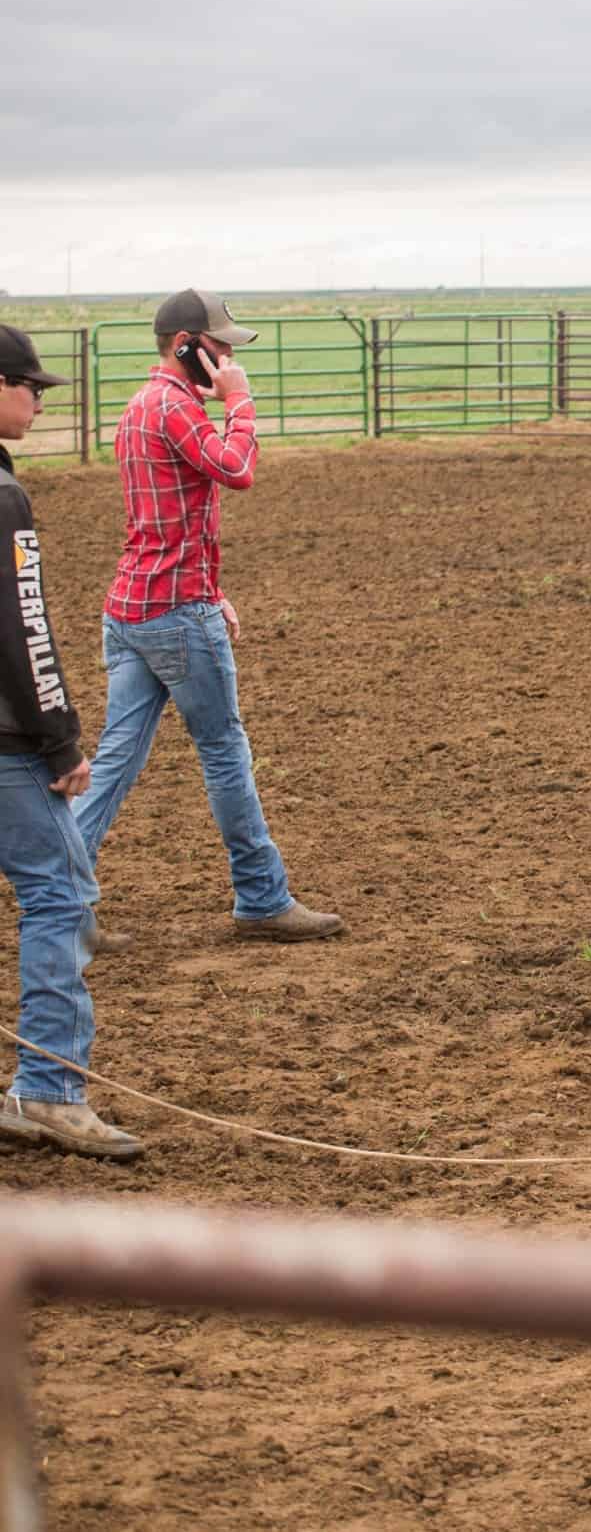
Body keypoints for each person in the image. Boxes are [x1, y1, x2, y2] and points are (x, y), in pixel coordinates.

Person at [70, 290, 342, 943]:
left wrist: (211, 586)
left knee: (115, 760)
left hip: (133, 607)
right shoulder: (178, 408)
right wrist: (240, 402)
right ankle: (262, 896)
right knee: (224, 752)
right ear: (186, 343)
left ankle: (61, 896)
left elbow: (163, 517)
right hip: (176, 615)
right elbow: (236, 469)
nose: (226, 356)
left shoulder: (140, 406)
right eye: (218, 346)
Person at [0, 327, 142, 1160]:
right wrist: (60, 741)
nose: (40, 399)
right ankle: (49, 1089)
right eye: (29, 385)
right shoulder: (6, 500)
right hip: (10, 740)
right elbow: (22, 626)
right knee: (60, 896)